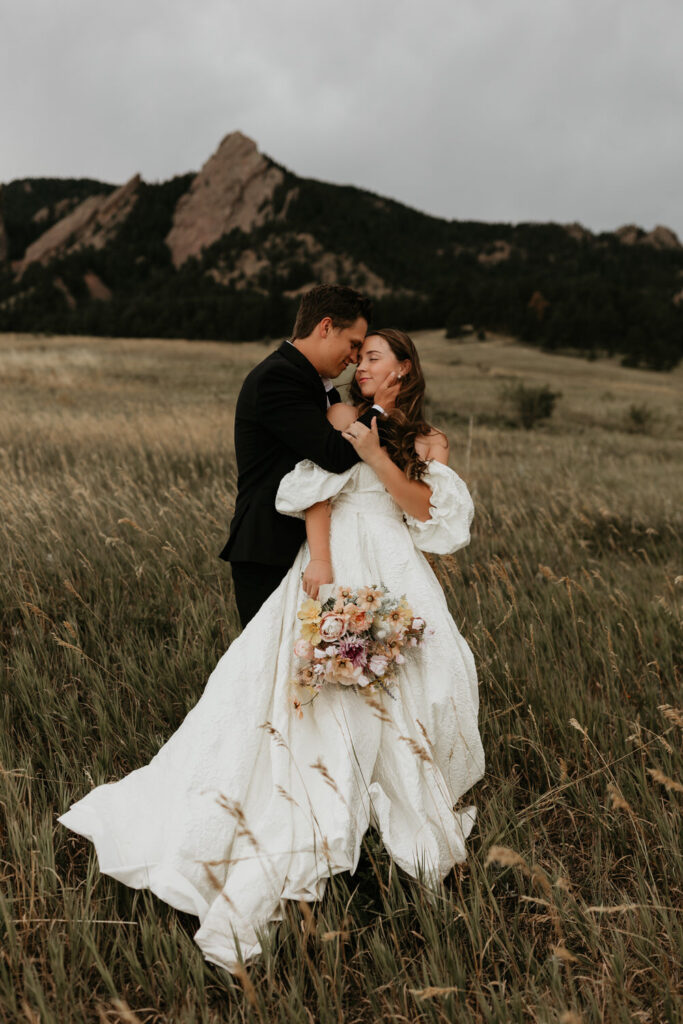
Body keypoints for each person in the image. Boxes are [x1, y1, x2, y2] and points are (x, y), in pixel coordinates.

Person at [58, 327, 485, 975]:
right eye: (357, 354)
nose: (358, 364)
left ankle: (405, 835)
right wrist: (318, 558)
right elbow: (314, 490)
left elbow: (425, 512)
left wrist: (376, 454)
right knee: (340, 705)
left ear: (402, 369)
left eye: (372, 357)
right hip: (341, 569)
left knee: (419, 698)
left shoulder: (426, 439)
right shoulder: (338, 412)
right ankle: (313, 823)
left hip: (394, 569)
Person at [219, 284, 398, 627]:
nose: (355, 358)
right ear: (326, 327)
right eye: (354, 345)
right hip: (269, 547)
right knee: (268, 664)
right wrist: (379, 409)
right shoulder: (278, 378)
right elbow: (332, 455)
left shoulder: (312, 382)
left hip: (307, 549)